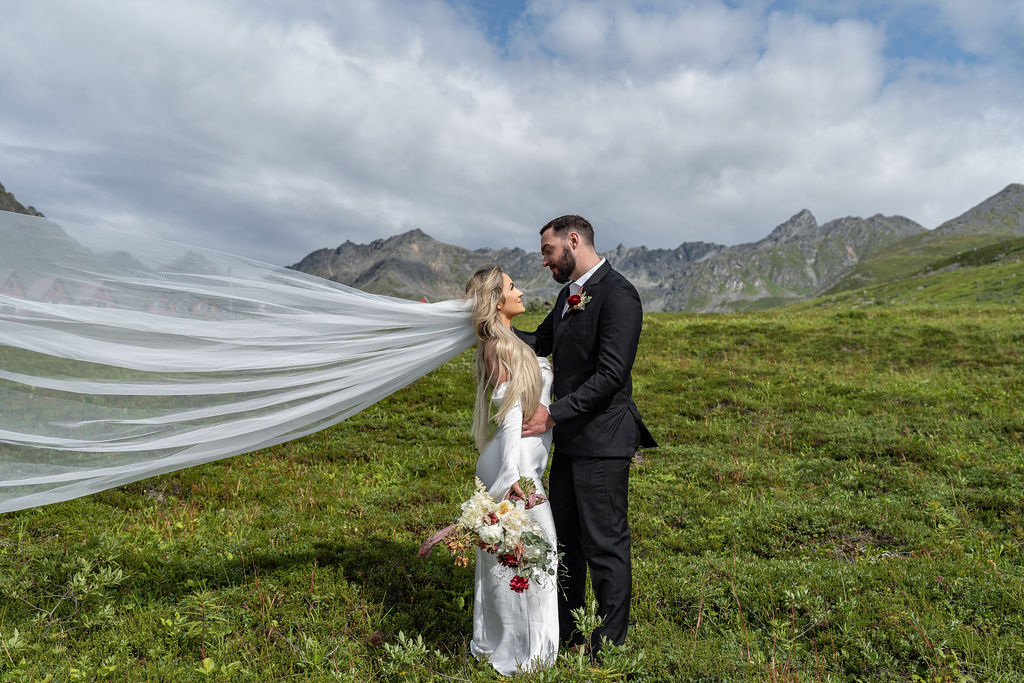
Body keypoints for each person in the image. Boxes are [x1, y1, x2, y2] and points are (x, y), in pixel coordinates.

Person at [515, 215, 657, 652]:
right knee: (566, 545)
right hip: (572, 445)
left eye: (548, 250)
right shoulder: (566, 296)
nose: (544, 261)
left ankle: (609, 644)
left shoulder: (619, 295)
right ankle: (569, 633)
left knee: (605, 544)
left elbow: (611, 375)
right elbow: (538, 342)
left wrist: (551, 415)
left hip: (604, 442)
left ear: (573, 241)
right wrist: (485, 326)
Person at [463, 264, 559, 675]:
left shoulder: (507, 341)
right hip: (516, 466)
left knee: (519, 557)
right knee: (534, 553)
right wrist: (510, 481)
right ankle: (525, 655)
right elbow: (510, 413)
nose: (520, 291)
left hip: (518, 461)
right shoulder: (498, 346)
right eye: (512, 286)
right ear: (497, 300)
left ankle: (517, 645)